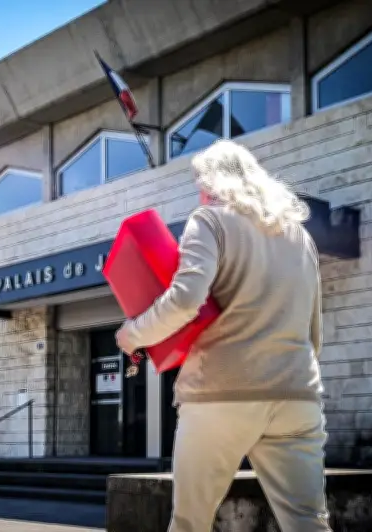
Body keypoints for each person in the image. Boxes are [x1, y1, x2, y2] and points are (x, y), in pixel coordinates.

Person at [115, 139, 330, 532]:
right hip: (296, 394)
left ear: (213, 181)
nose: (199, 190)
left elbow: (186, 299)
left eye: (200, 181)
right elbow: (314, 330)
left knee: (190, 523)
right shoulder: (301, 237)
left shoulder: (210, 219)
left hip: (221, 394)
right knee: (307, 522)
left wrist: (134, 334)